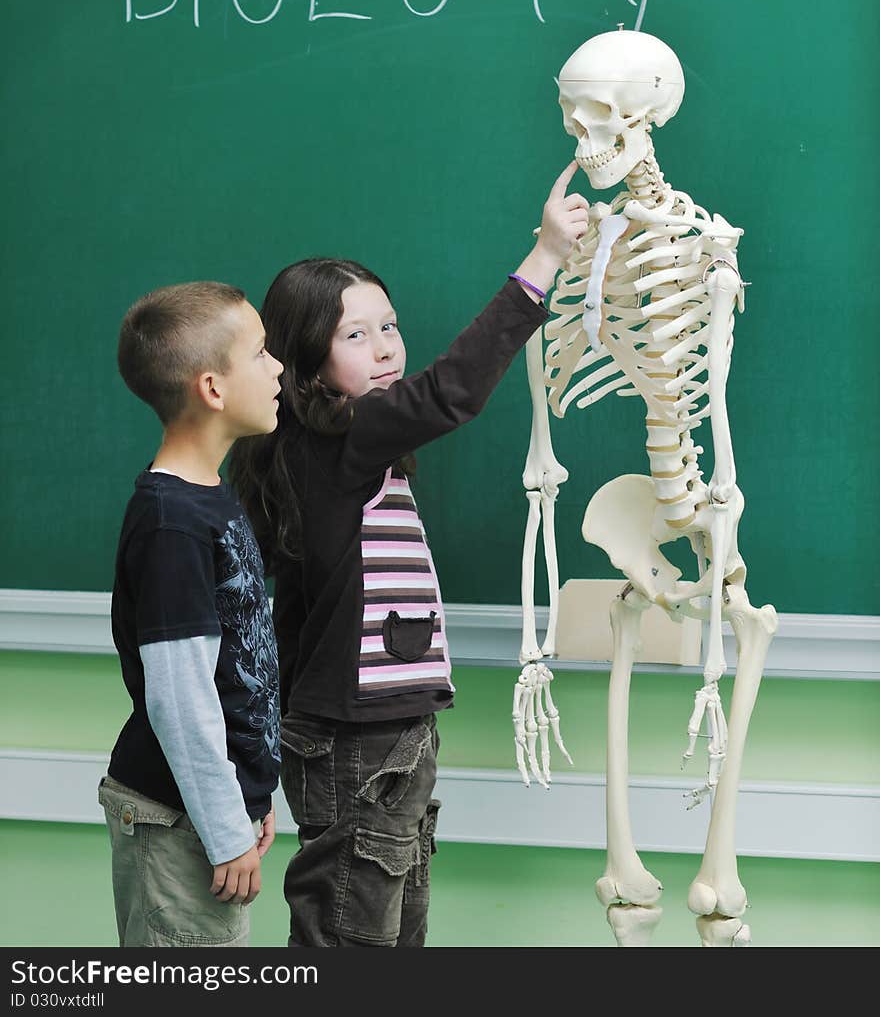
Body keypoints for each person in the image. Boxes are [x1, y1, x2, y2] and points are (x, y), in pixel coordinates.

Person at [228, 161, 590, 947]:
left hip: (387, 727)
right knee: (352, 940)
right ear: (304, 362)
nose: (386, 346)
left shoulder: (339, 451)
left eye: (389, 325)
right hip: (357, 737)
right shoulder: (343, 443)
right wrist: (547, 259)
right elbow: (452, 391)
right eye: (355, 335)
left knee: (390, 931)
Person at [99, 280, 285, 947]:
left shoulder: (209, 497)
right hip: (177, 823)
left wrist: (247, 801)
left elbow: (239, 664)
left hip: (204, 814)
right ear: (212, 387)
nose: (279, 368)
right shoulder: (173, 521)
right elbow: (181, 698)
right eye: (262, 353)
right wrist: (226, 826)